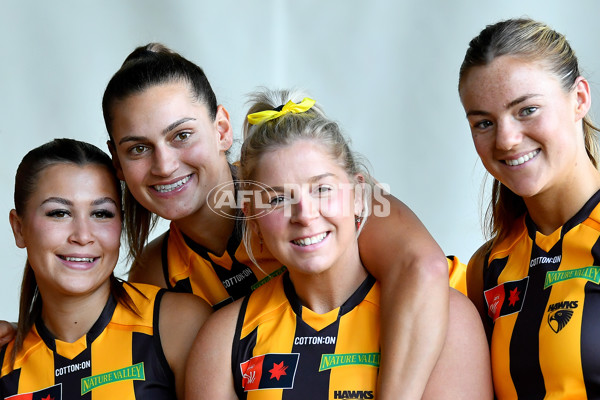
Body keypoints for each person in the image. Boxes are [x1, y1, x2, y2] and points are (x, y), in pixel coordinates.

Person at [100, 43, 455, 398]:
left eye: (182, 135)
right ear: (117, 162)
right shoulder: (156, 271)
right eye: (138, 149)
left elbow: (424, 268)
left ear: (222, 129)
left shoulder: (334, 205)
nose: (164, 165)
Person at [185, 89, 492, 399]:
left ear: (359, 195)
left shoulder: (448, 318)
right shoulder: (224, 339)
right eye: (279, 199)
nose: (304, 215)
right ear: (252, 216)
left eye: (322, 189)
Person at [0, 139, 211, 399]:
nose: (83, 235)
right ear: (19, 229)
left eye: (101, 213)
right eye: (58, 213)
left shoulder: (178, 325)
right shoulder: (5, 361)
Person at [459, 18, 600, 399]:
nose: (506, 140)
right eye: (484, 122)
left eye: (527, 110)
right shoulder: (487, 268)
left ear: (580, 99)